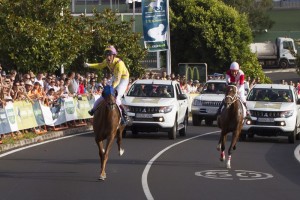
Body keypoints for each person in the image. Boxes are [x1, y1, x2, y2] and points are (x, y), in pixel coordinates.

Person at [84, 45, 130, 124]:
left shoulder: (119, 64)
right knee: (103, 95)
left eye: (110, 55)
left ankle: (125, 114)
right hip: (115, 77)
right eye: (106, 55)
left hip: (123, 79)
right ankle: (93, 110)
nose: (108, 57)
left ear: (114, 56)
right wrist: (89, 65)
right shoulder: (106, 61)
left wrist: (111, 88)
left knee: (116, 96)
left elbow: (118, 80)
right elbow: (100, 65)